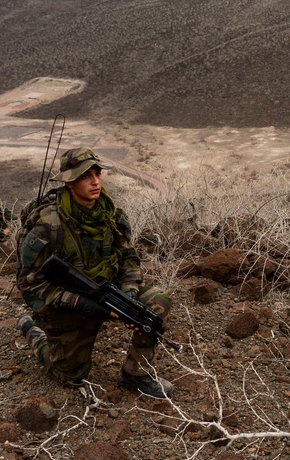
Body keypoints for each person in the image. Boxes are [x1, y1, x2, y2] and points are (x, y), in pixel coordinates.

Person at [15, 146, 174, 398]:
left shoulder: (111, 216)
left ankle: (135, 374)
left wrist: (129, 295)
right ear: (69, 182)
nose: (95, 182)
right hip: (67, 305)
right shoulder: (48, 225)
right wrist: (81, 303)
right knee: (71, 377)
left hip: (107, 295)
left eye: (97, 174)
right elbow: (30, 285)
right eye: (85, 176)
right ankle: (33, 332)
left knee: (155, 306)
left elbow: (128, 259)